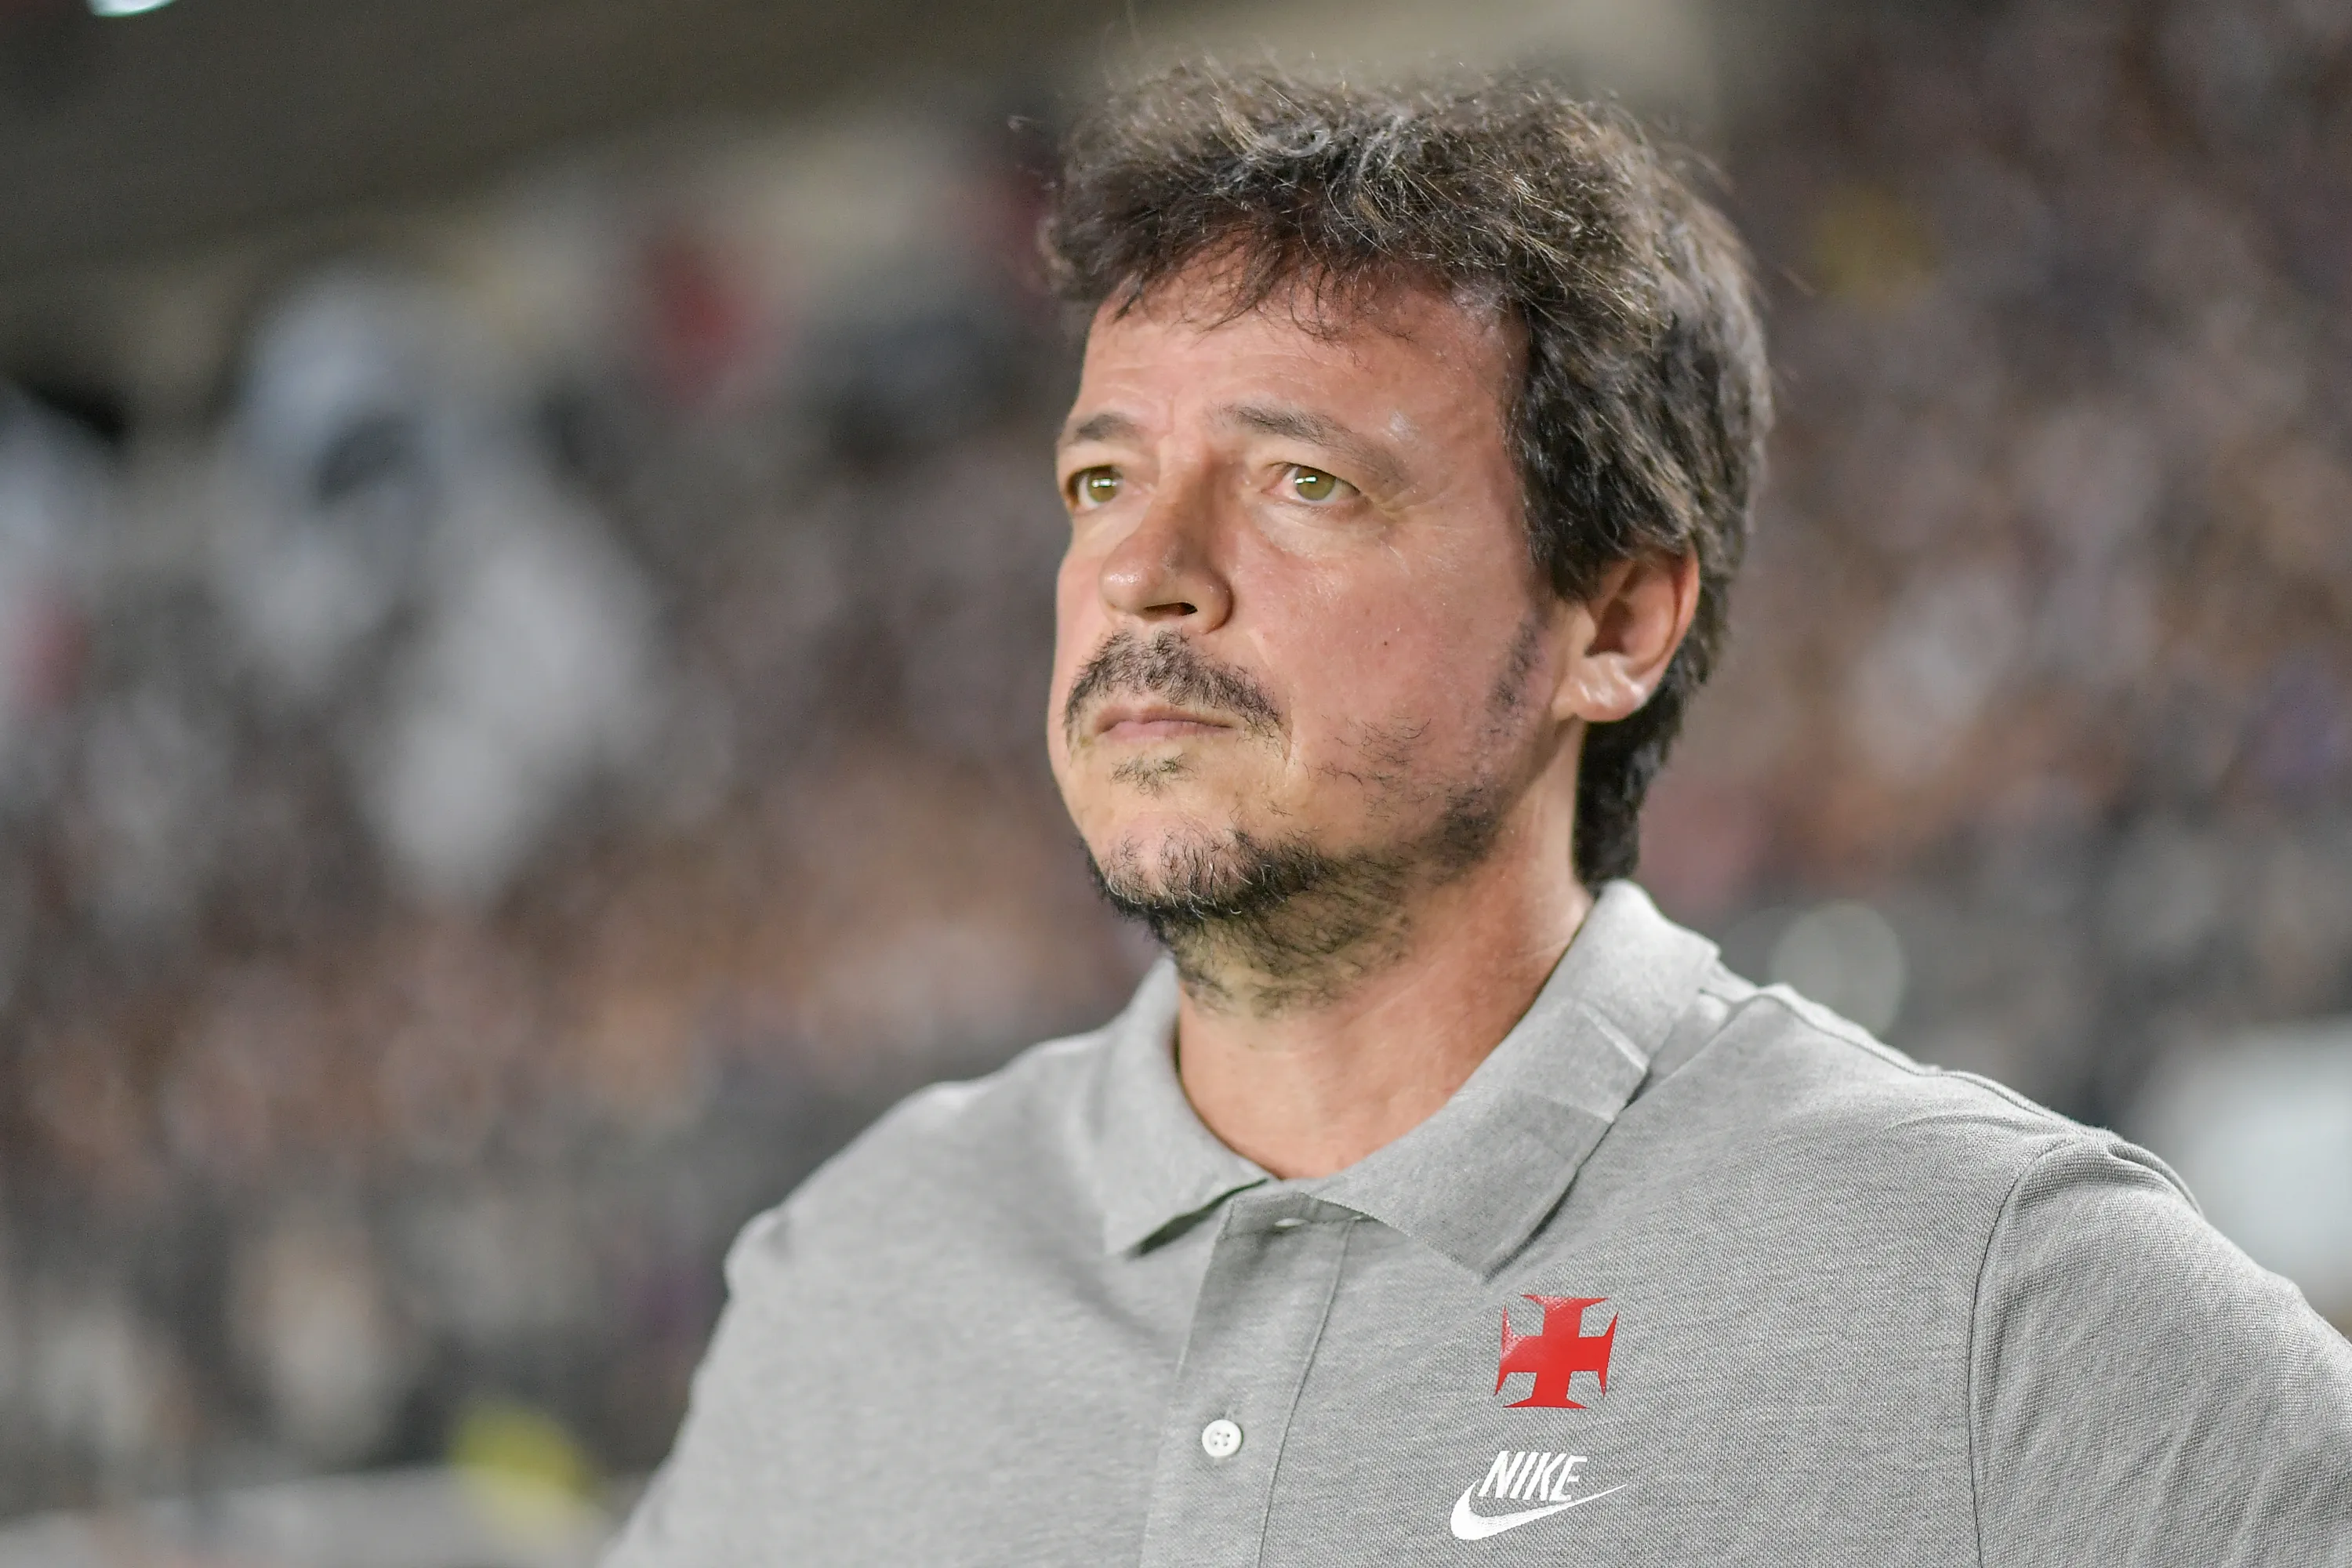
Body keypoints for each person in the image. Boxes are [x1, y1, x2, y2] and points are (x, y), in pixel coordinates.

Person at [605, 64, 2352, 1566]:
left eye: (1305, 482)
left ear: (1616, 621)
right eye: (1103, 479)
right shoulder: (850, 1279)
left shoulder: (1994, 1299)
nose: (1146, 575)